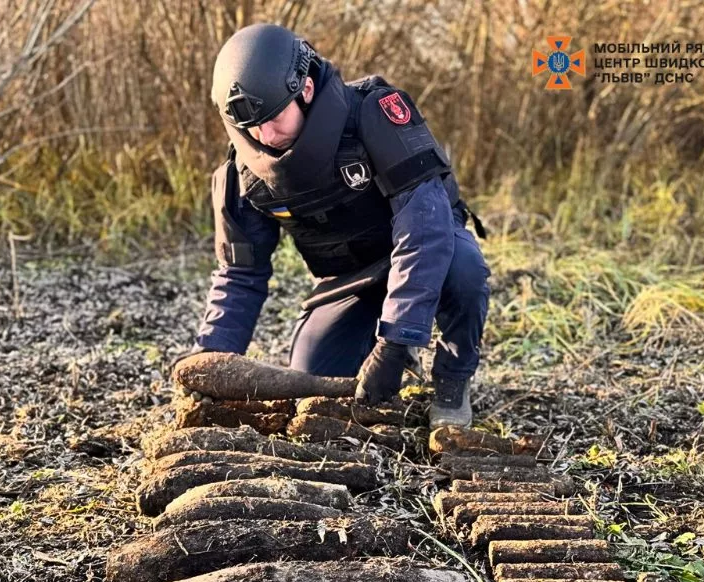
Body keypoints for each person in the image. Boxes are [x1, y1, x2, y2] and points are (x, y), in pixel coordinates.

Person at [191, 23, 490, 428]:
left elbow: (425, 234)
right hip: (349, 278)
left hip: (424, 252)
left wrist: (396, 340)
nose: (265, 134)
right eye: (252, 125)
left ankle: (452, 378)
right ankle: (376, 345)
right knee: (314, 375)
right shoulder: (241, 177)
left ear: (305, 89)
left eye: (274, 116)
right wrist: (208, 360)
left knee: (464, 269)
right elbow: (240, 275)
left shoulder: (374, 116)